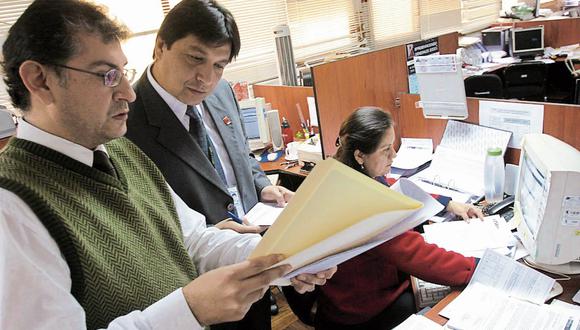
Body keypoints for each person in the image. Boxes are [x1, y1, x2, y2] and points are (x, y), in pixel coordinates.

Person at [0, 1, 334, 329]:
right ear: (40, 80)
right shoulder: (12, 207)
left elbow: (194, 240)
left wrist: (286, 258)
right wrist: (191, 310)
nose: (128, 93)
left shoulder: (121, 152)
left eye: (124, 73)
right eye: (107, 76)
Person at [125, 1, 290, 327]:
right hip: (195, 290)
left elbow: (242, 154)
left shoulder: (222, 92)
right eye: (196, 58)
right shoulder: (126, 123)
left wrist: (261, 186)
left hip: (251, 259)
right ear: (160, 47)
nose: (206, 78)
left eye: (219, 65)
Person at [313, 107, 483, 329]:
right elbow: (419, 256)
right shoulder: (365, 206)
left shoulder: (341, 173)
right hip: (361, 311)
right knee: (448, 306)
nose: (394, 155)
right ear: (359, 155)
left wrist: (445, 203)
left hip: (338, 298)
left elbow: (395, 190)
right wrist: (480, 267)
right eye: (386, 150)